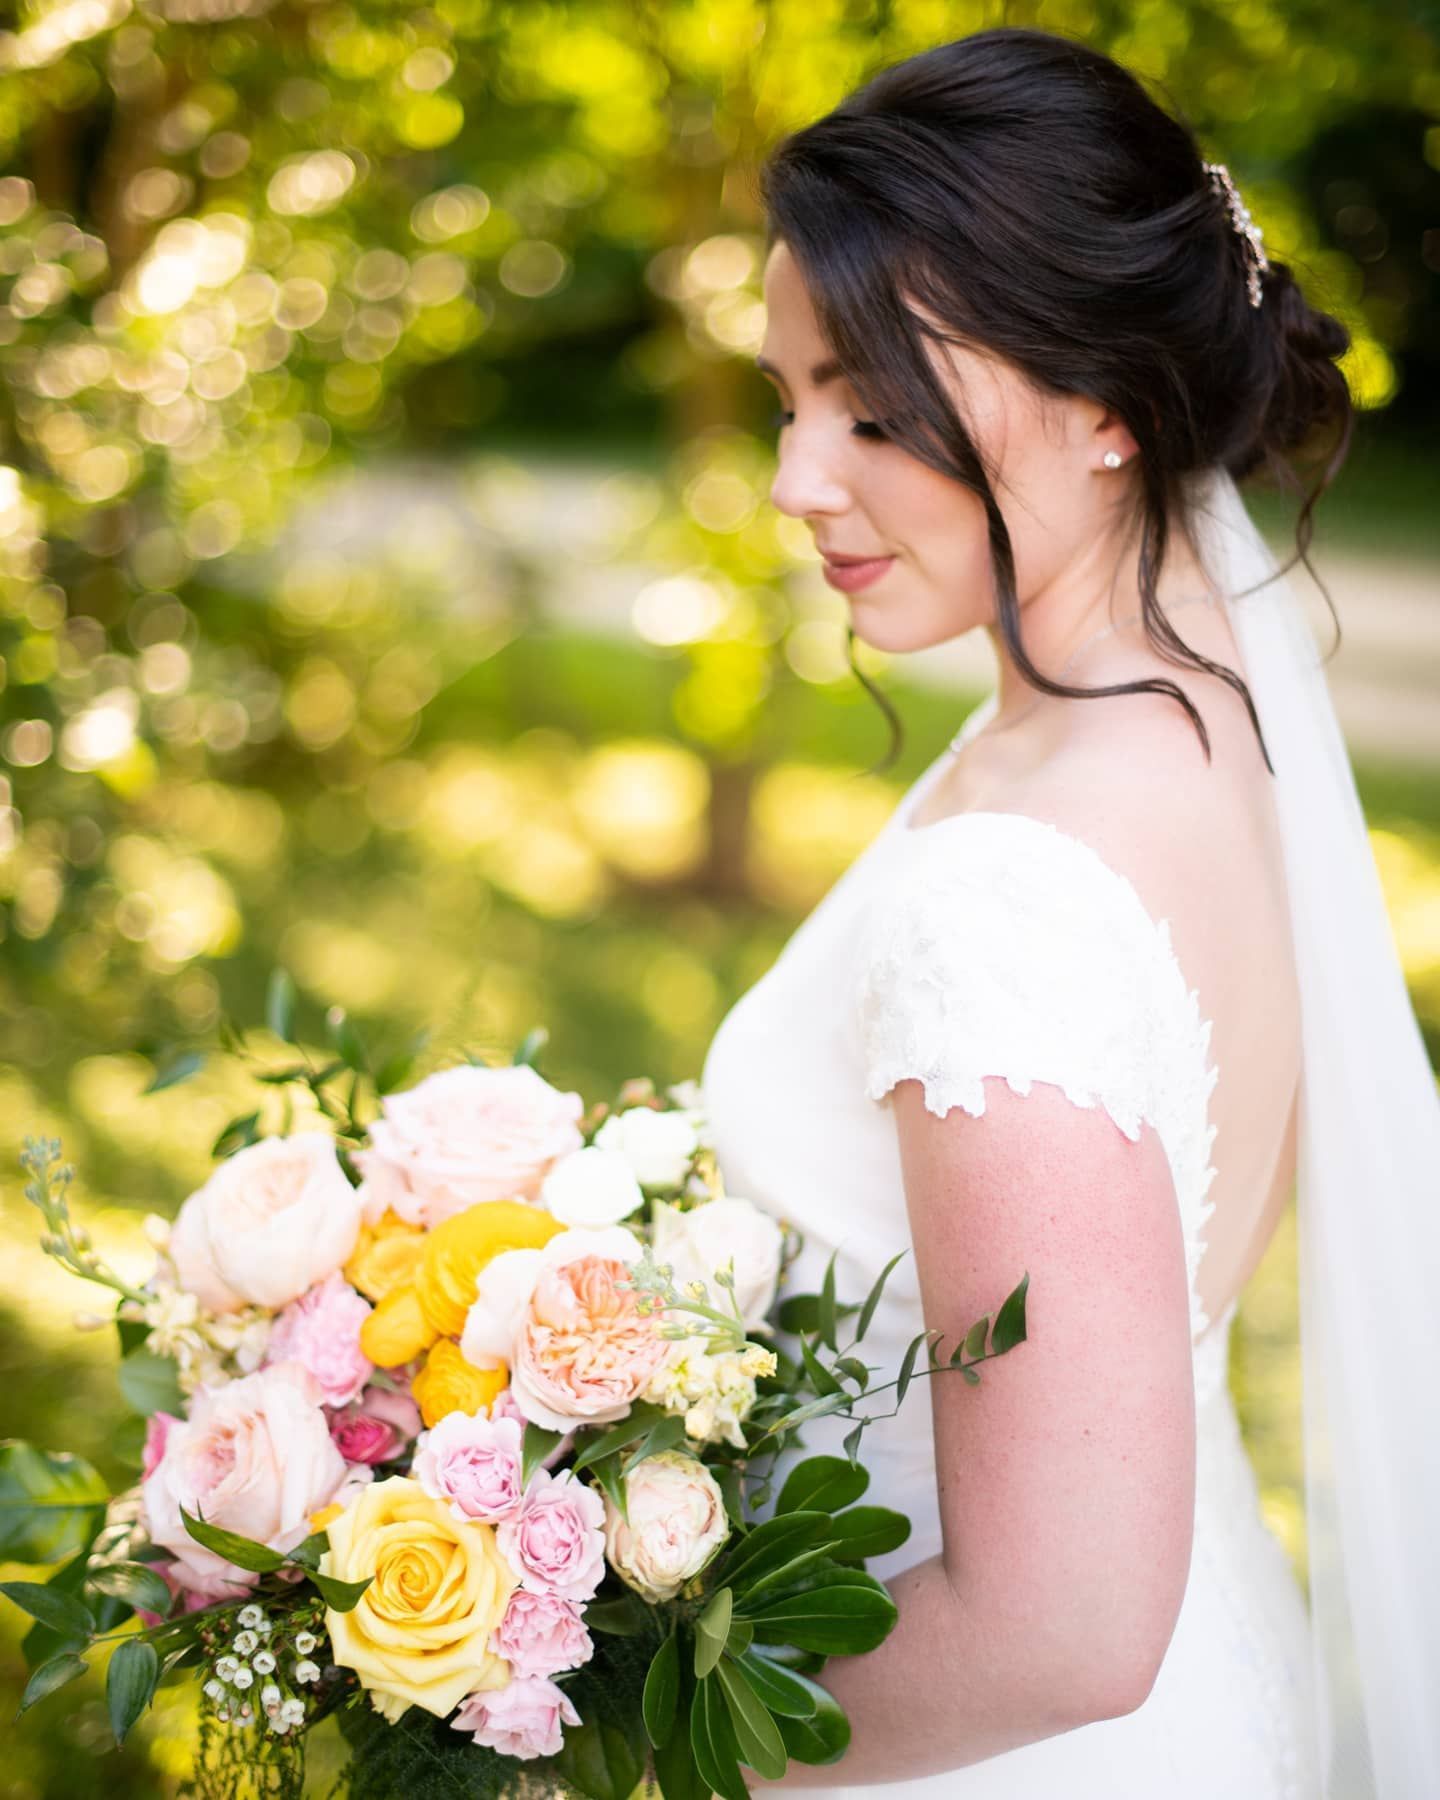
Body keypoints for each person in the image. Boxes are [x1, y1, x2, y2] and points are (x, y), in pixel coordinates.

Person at [700, 26, 1440, 1800]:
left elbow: (1059, 1634)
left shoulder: (1016, 898)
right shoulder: (1189, 716)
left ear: (1107, 401)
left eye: (871, 408)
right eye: (791, 397)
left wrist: (621, 1724)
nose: (801, 481)